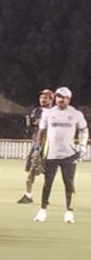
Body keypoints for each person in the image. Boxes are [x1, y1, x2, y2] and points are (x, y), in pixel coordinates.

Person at [33, 87, 87, 224]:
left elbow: (84, 130)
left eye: (63, 97)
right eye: (58, 97)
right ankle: (42, 210)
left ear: (69, 99)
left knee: (69, 184)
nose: (60, 100)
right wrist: (37, 149)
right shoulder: (48, 113)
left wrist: (82, 147)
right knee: (47, 183)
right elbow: (41, 131)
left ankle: (69, 212)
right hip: (51, 154)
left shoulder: (76, 114)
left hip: (69, 154)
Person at [18, 89, 54, 204]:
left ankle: (45, 197)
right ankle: (28, 195)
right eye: (41, 97)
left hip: (50, 146)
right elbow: (32, 128)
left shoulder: (55, 113)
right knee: (31, 169)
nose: (42, 99)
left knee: (49, 173)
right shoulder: (36, 111)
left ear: (51, 99)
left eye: (46, 97)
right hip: (37, 145)